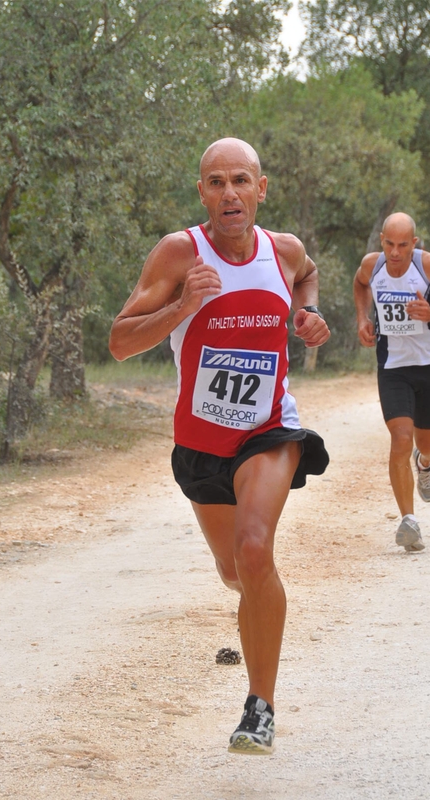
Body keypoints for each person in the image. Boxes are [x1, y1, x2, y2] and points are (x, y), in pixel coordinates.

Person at [109, 137, 330, 755]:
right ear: (201, 191)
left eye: (240, 180)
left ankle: (260, 706)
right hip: (202, 444)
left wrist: (306, 313)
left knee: (255, 550)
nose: (229, 193)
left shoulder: (283, 251)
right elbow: (120, 342)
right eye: (215, 182)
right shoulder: (181, 252)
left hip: (270, 431)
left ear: (261, 188)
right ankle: (258, 605)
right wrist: (185, 304)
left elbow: (306, 274)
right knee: (235, 570)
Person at [354, 212, 430, 552]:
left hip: (427, 365)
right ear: (381, 240)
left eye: (403, 245)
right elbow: (359, 284)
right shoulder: (373, 266)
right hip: (393, 367)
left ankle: (425, 462)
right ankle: (408, 522)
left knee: (425, 443)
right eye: (389, 244)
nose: (395, 253)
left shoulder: (425, 266)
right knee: (400, 438)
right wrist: (362, 318)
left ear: (414, 243)